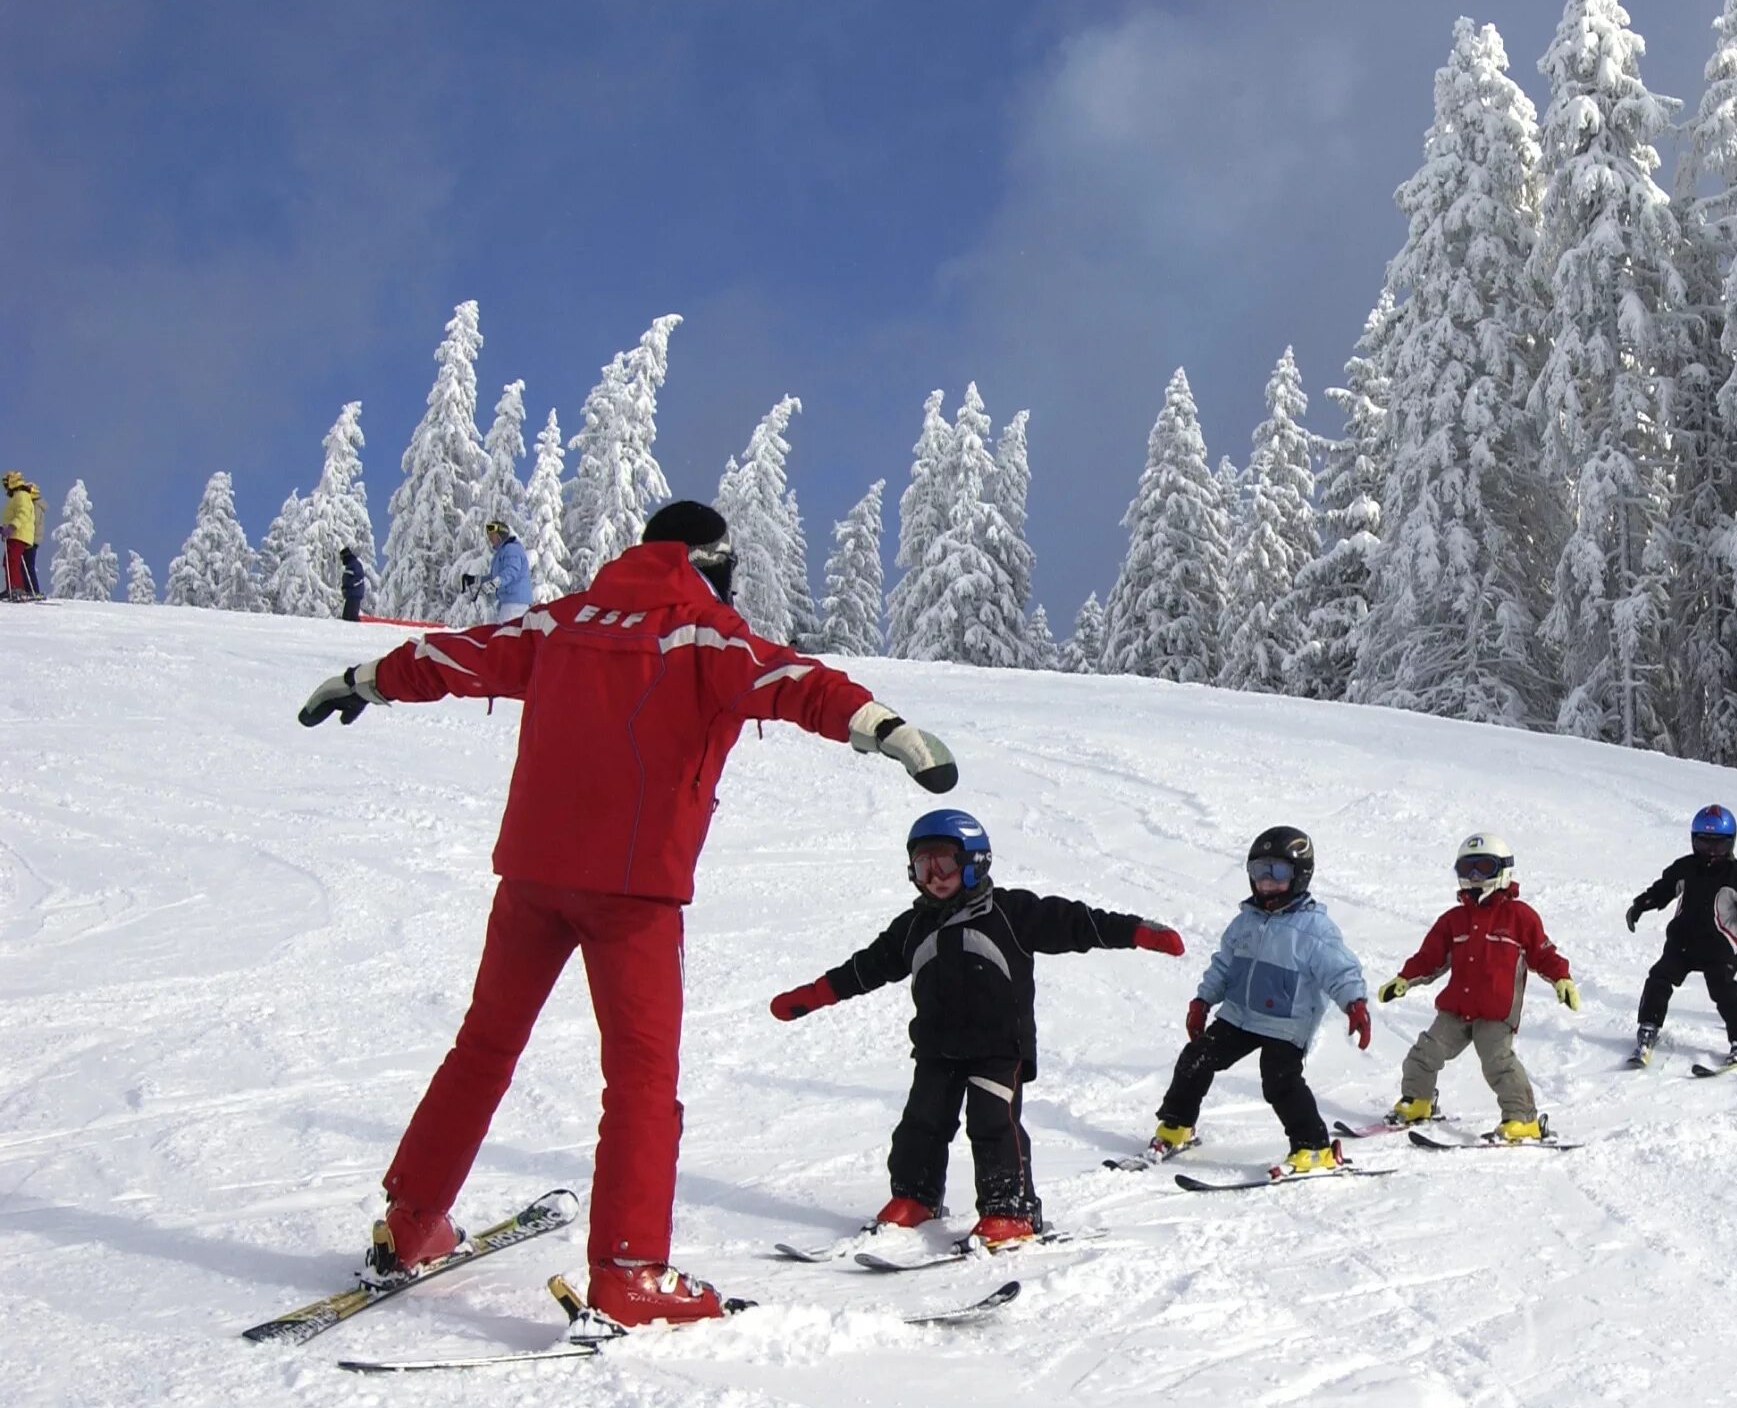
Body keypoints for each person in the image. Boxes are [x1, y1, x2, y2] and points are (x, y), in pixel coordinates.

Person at [295, 499, 960, 1329]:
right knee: (642, 1081)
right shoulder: (703, 632)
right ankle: (629, 1270)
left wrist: (365, 681)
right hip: (636, 896)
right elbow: (795, 681)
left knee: (484, 1046)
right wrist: (885, 727)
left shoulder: (565, 622)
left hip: (531, 878)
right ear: (713, 564)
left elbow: (460, 655)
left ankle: (409, 1223)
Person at [768, 808, 1182, 1246]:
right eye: (922, 866)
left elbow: (1077, 923)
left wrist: (1138, 932)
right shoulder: (913, 927)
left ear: (974, 862)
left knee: (993, 1125)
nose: (933, 876)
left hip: (999, 1049)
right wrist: (814, 995)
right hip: (936, 1048)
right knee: (920, 1124)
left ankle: (1011, 1210)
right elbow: (865, 968)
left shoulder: (1011, 912)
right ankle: (916, 1197)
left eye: (944, 863)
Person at [1152, 826, 1372, 1173]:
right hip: (1239, 1015)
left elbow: (1341, 970)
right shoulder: (1245, 921)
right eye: (1259, 872)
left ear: (1299, 875)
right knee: (1196, 1058)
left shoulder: (1315, 928)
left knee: (1279, 1080)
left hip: (1286, 1023)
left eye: (1277, 873)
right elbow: (1224, 966)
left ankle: (1314, 1147)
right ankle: (1177, 1126)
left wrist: (1354, 1004)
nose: (1266, 882)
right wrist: (1203, 1001)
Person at [1375, 832, 1575, 1141]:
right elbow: (1430, 957)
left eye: (1484, 866)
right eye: (1466, 869)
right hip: (1457, 1009)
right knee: (1424, 1053)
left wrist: (1561, 978)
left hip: (1496, 1012)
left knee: (1498, 1063)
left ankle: (1523, 1119)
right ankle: (1418, 1101)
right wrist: (1405, 979)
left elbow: (1543, 954)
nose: (1475, 876)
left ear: (1504, 870)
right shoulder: (1454, 919)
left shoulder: (1519, 916)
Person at [1626, 805, 1737, 1066]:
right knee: (1660, 977)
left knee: (1723, 988)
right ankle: (1649, 1024)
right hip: (1682, 942)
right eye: (1703, 844)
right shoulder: (1686, 867)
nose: (1710, 852)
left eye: (1717, 846)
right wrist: (1641, 905)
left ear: (1731, 843)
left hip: (1719, 948)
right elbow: (1663, 889)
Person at [460, 520, 532, 622]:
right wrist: (476, 580)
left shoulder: (511, 549)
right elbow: (496, 576)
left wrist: (495, 583)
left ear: (500, 534)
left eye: (492, 535)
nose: (489, 539)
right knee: (504, 635)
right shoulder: (502, 551)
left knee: (506, 636)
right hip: (509, 603)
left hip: (515, 605)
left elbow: (511, 571)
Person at [3, 471, 43, 601]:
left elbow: (23, 513)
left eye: (6, 483)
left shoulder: (22, 495)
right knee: (8, 561)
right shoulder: (17, 496)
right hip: (14, 534)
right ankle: (12, 587)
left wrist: (12, 526)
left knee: (13, 561)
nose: (5, 487)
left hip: (19, 534)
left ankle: (17, 588)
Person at [338, 546, 367, 622]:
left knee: (351, 618)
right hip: (350, 594)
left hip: (354, 594)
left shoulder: (355, 564)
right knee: (346, 618)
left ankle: (355, 631)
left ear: (346, 556)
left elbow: (359, 578)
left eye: (342, 557)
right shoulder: (350, 565)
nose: (342, 560)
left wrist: (348, 587)